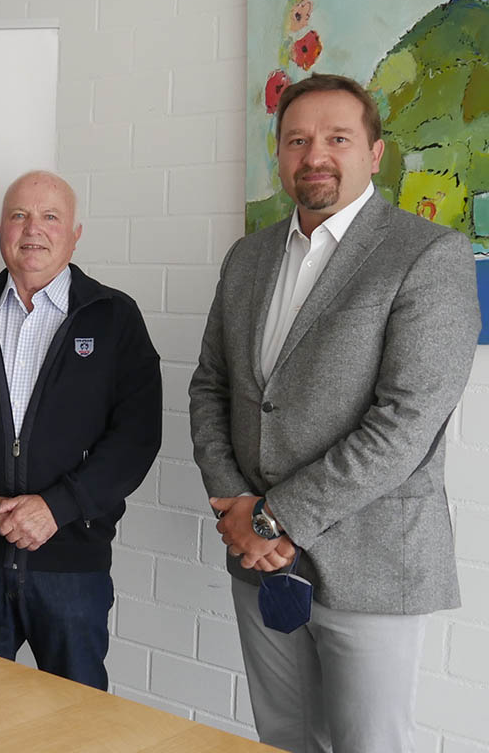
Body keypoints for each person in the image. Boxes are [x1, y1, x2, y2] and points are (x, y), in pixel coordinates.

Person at [189, 73, 480, 753]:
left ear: (375, 154)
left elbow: (404, 425)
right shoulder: (249, 257)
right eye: (297, 140)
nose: (314, 154)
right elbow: (212, 385)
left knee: (366, 745)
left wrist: (271, 517)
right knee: (284, 738)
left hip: (371, 563)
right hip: (260, 561)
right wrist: (234, 499)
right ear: (280, 153)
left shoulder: (427, 254)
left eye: (337, 138)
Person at [0, 170, 162, 688]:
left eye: (49, 217)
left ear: (75, 233)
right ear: (0, 228)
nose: (32, 229)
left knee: (75, 725)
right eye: (19, 215)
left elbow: (136, 437)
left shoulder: (114, 319)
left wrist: (56, 508)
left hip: (72, 568)